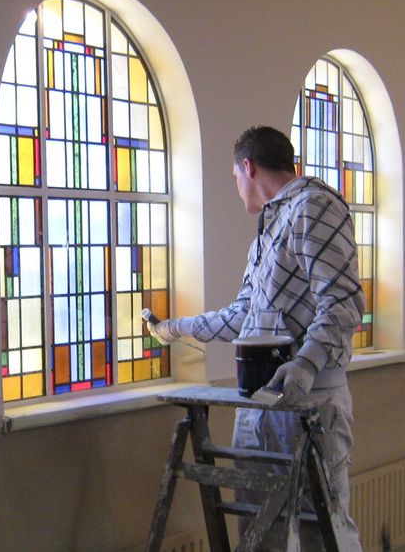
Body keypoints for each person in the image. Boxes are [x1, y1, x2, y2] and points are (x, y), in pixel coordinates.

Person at [149, 125, 364, 551]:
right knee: (258, 529)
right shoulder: (269, 228)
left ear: (248, 166)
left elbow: (343, 302)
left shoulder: (314, 206)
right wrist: (175, 328)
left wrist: (304, 365)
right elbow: (244, 318)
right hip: (262, 407)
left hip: (310, 403)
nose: (236, 188)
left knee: (323, 532)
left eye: (234, 178)